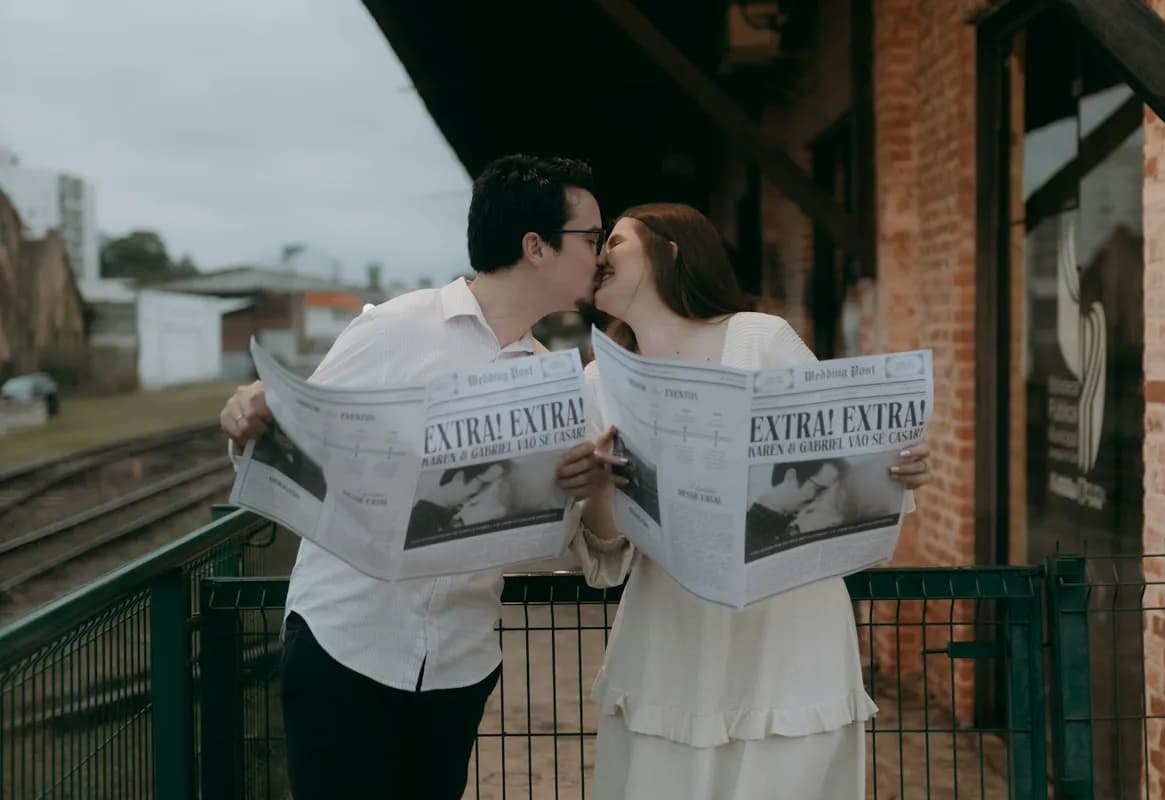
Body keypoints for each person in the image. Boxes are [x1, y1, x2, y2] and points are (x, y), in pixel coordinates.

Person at [218, 154, 613, 800]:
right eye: (591, 239)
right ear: (535, 246)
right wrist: (249, 414)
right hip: (346, 647)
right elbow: (299, 435)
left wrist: (578, 491)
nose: (599, 256)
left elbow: (558, 543)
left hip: (457, 664)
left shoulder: (549, 377)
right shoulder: (395, 329)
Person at [556, 203, 932, 800]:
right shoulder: (600, 383)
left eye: (617, 240)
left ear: (670, 251)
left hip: (785, 633)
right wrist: (599, 487)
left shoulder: (760, 338)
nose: (600, 254)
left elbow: (836, 459)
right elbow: (607, 556)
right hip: (672, 639)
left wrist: (895, 469)